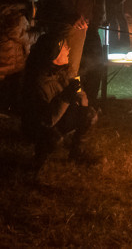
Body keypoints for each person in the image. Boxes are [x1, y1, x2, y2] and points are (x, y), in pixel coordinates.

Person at [22, 34, 99, 175]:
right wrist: (67, 96)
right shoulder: (39, 82)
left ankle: (77, 153)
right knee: (53, 138)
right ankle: (38, 162)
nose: (68, 49)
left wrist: (81, 97)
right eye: (64, 46)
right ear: (53, 53)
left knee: (90, 114)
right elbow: (47, 120)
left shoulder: (64, 72)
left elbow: (81, 99)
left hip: (59, 117)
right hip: (39, 125)